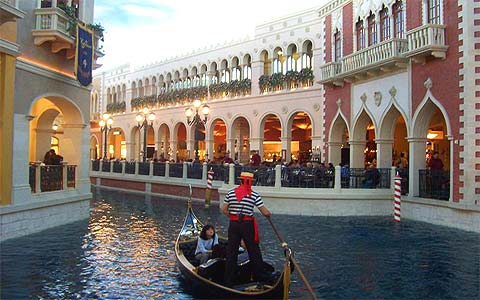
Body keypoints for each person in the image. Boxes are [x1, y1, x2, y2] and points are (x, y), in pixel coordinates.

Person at [223, 171, 272, 286]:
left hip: (234, 224)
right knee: (253, 251)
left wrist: (233, 216)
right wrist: (269, 215)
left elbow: (224, 209)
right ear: (250, 182)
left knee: (231, 251)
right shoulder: (254, 195)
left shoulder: (230, 193)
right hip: (247, 225)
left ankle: (228, 280)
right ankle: (261, 276)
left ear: (240, 181)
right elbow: (265, 212)